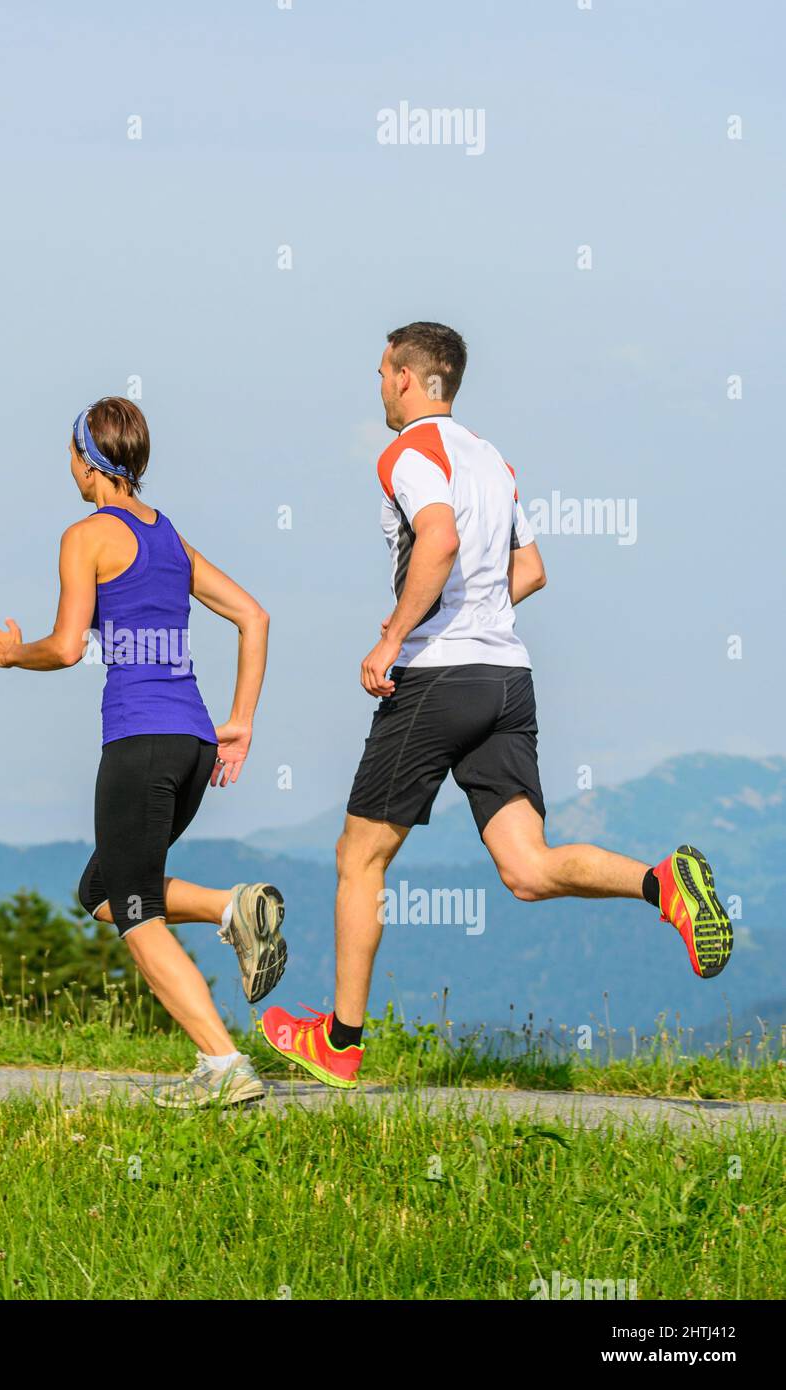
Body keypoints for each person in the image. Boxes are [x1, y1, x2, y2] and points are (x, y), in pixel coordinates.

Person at [261, 322, 733, 1088]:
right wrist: (471, 614)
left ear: (410, 378)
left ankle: (339, 1044)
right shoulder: (491, 458)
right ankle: (662, 883)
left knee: (359, 857)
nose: (379, 386)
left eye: (384, 372)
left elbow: (438, 540)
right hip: (507, 679)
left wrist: (395, 639)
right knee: (527, 867)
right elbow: (532, 568)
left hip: (438, 679)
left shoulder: (407, 453)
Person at [0, 397, 287, 1107]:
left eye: (70, 456)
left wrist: (9, 654)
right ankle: (230, 908)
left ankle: (223, 1065)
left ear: (90, 461)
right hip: (193, 746)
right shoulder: (170, 537)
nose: (69, 468)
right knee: (104, 895)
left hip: (139, 741)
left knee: (135, 907)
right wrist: (239, 720)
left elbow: (64, 647)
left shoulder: (85, 536)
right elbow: (255, 615)